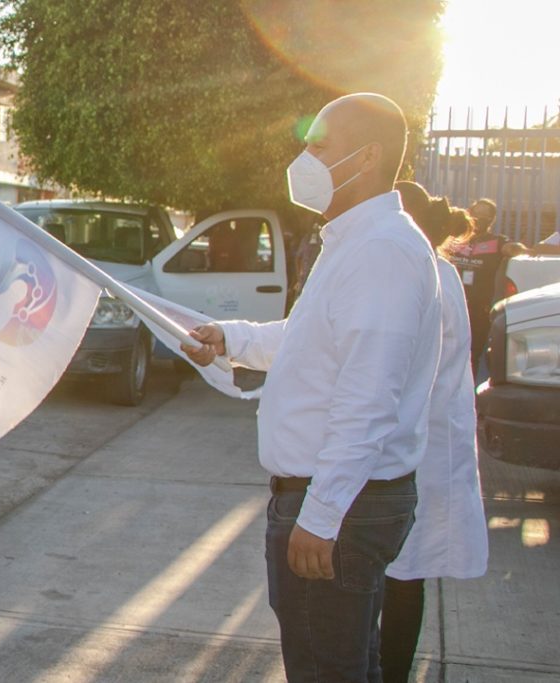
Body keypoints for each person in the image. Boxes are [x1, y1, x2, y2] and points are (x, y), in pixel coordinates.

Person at [182, 93, 442, 682]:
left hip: (341, 505)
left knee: (327, 671)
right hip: (337, 499)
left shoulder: (381, 250)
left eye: (319, 146)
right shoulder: (355, 241)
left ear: (368, 156)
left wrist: (322, 516)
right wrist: (230, 338)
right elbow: (308, 338)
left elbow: (368, 400)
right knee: (346, 664)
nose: (304, 159)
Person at [380, 182, 488, 683]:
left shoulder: (421, 275)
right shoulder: (438, 271)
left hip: (416, 451)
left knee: (399, 576)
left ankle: (388, 674)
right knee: (403, 574)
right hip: (425, 449)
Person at [445, 198, 528, 371]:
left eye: (485, 215)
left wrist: (519, 249)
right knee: (444, 351)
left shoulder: (496, 242)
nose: (478, 219)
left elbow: (513, 248)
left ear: (492, 220)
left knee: (471, 355)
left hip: (478, 309)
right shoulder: (454, 239)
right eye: (475, 213)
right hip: (449, 303)